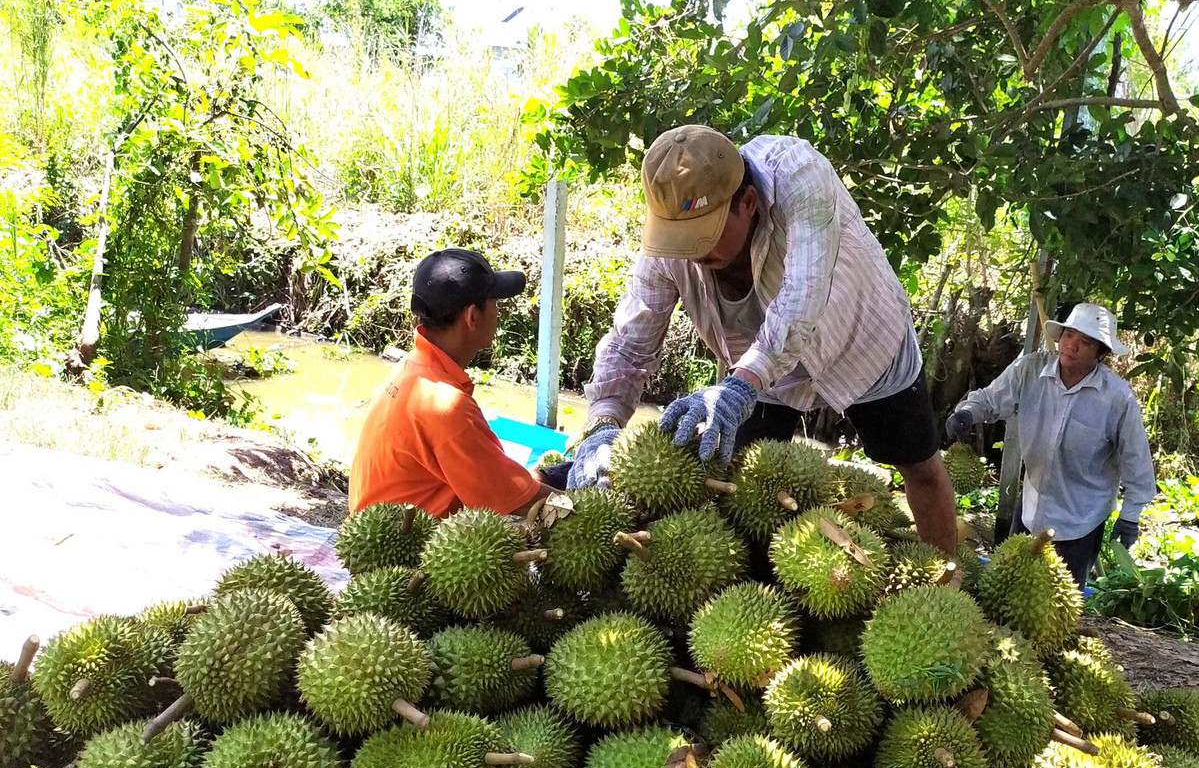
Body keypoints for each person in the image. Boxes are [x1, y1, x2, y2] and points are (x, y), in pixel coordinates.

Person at [566, 125, 957, 554]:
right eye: (681, 239)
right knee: (742, 484)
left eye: (706, 236)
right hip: (756, 361)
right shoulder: (669, 242)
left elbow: (802, 300)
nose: (693, 255)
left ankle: (947, 582)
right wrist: (602, 427)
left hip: (861, 338)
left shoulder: (800, 176)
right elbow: (630, 343)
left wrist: (738, 387)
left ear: (747, 204)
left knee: (918, 464)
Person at [943, 302, 1156, 587]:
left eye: (1085, 342)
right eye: (1069, 335)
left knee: (1057, 608)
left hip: (1081, 520)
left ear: (1100, 354)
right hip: (1031, 506)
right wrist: (967, 413)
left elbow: (1137, 462)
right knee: (1007, 590)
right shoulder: (1029, 370)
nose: (1072, 346)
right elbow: (990, 400)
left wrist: (1130, 517)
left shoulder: (1117, 398)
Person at [348, 248, 558, 519]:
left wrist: (548, 476)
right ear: (472, 316)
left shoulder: (412, 369)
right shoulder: (446, 406)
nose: (499, 313)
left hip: (374, 531)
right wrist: (585, 504)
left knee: (556, 474)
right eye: (495, 302)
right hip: (408, 552)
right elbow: (517, 501)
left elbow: (495, 477)